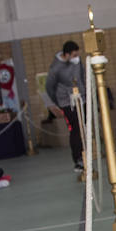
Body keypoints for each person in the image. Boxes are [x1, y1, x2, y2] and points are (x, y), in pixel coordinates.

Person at [46, 40, 85, 174]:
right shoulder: (56, 68)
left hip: (81, 98)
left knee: (84, 127)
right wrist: (57, 103)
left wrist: (86, 93)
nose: (76, 58)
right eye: (74, 55)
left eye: (77, 55)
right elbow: (49, 87)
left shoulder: (77, 61)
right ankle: (78, 159)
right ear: (66, 55)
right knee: (75, 130)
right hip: (67, 102)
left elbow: (82, 76)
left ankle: (86, 154)